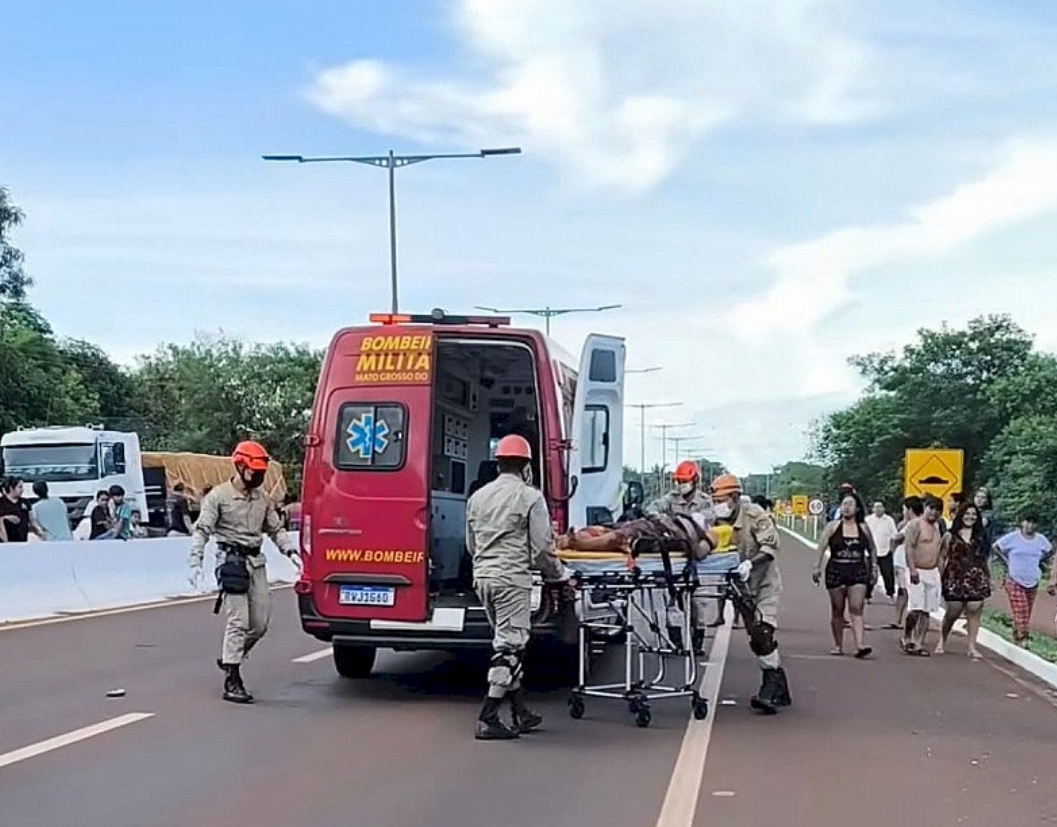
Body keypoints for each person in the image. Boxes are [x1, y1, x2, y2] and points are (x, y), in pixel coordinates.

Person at [466, 434, 572, 741]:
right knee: (510, 647)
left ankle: (521, 712)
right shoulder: (530, 497)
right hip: (511, 580)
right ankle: (488, 717)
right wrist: (560, 575)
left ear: (498, 463)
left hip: (483, 578)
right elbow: (542, 549)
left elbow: (471, 545)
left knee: (506, 642)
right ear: (527, 466)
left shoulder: (477, 497)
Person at [188, 441, 301, 704]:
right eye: (254, 471)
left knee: (259, 624)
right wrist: (195, 561)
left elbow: (276, 529)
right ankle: (232, 677)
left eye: (261, 472)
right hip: (231, 563)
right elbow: (202, 530)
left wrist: (291, 553)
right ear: (240, 467)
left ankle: (232, 656)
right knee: (238, 621)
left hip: (256, 562)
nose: (258, 476)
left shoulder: (262, 499)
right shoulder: (218, 496)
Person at [709, 473, 791, 714]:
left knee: (764, 630)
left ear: (735, 497)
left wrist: (749, 564)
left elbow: (771, 546)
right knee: (756, 637)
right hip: (741, 589)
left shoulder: (755, 515)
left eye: (721, 500)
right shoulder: (714, 520)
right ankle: (778, 684)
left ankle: (771, 686)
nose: (718, 505)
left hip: (764, 583)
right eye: (715, 501)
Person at [644, 461, 715, 652]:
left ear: (695, 480)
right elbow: (651, 509)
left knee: (697, 602)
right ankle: (675, 642)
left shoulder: (705, 501)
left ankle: (697, 641)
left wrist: (698, 520)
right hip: (675, 554)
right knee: (672, 599)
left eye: (685, 481)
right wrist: (664, 520)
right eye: (679, 481)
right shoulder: (671, 498)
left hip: (696, 555)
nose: (681, 485)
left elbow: (712, 517)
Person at [812, 492, 877, 658]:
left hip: (858, 571)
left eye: (850, 504)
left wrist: (874, 567)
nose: (847, 507)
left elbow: (872, 548)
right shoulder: (833, 527)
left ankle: (860, 645)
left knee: (857, 607)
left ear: (857, 509)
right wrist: (817, 567)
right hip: (836, 570)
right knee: (837, 609)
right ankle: (838, 644)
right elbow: (821, 546)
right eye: (844, 504)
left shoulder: (863, 528)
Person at [935, 502, 991, 658]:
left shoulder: (981, 536)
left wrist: (989, 576)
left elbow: (986, 557)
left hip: (977, 577)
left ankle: (972, 646)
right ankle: (942, 639)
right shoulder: (950, 535)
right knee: (953, 612)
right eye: (967, 514)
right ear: (961, 515)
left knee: (974, 610)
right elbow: (942, 556)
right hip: (955, 577)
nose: (970, 517)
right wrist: (940, 575)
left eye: (973, 514)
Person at [992, 511, 1055, 647]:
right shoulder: (1013, 537)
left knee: (1027, 610)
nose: (1030, 525)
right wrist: (1006, 560)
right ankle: (1023, 638)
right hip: (1014, 578)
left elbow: (1050, 552)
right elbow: (996, 547)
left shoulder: (1040, 540)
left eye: (1033, 523)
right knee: (1021, 609)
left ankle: (1017, 634)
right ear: (1022, 523)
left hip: (1033, 579)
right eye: (1027, 522)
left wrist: (1040, 561)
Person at [902, 494, 945, 655]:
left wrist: (941, 573)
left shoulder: (938, 527)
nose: (934, 512)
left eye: (937, 510)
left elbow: (940, 552)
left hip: (932, 572)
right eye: (931, 508)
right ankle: (907, 636)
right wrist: (912, 569)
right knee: (915, 609)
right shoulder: (915, 525)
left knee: (926, 611)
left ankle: (919, 643)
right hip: (917, 570)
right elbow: (909, 547)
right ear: (925, 508)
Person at [890, 496, 923, 631]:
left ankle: (909, 622)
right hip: (902, 561)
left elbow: (897, 538)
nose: (903, 512)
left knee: (906, 591)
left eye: (904, 509)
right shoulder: (909, 523)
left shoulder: (913, 523)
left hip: (905, 562)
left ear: (910, 509)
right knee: (902, 591)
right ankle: (898, 619)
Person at [866, 501, 899, 601]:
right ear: (873, 509)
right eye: (876, 507)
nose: (878, 509)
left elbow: (894, 536)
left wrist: (892, 549)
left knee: (888, 575)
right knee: (869, 575)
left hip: (885, 551)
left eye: (880, 507)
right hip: (871, 553)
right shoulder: (868, 520)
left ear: (884, 508)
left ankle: (890, 594)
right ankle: (867, 595)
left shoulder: (889, 520)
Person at [0, 476, 34, 543]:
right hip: (5, 543)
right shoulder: (1, 503)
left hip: (22, 542)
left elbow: (32, 521)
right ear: (11, 488)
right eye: (20, 487)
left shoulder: (25, 502)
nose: (22, 490)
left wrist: (40, 532)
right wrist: (6, 518)